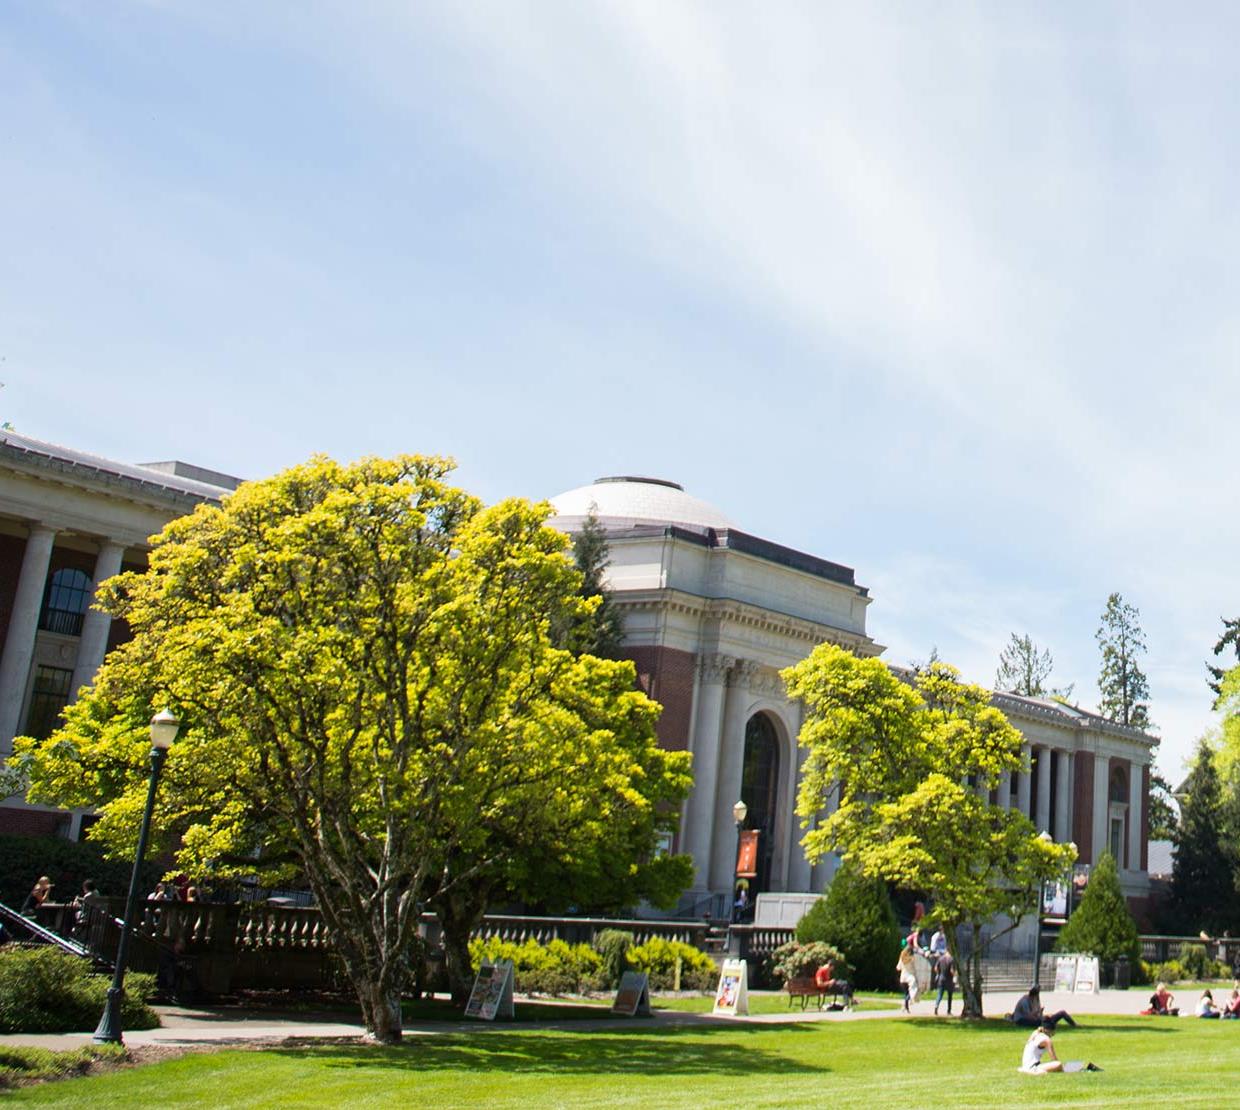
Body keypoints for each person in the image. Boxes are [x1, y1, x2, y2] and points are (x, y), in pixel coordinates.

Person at [1010, 985, 1076, 1029]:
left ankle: (1074, 1025)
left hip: (1035, 1019)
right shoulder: (1024, 1001)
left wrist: (1042, 1015)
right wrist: (1039, 1013)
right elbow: (1029, 1016)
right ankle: (1050, 1024)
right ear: (1033, 995)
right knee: (1040, 1021)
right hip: (1021, 1020)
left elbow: (1037, 1015)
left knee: (1062, 1013)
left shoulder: (1035, 1001)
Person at [897, 939, 920, 1011]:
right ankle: (906, 1004)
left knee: (906, 993)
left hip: (903, 978)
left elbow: (898, 968)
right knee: (912, 992)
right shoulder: (912, 958)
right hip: (910, 978)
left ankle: (906, 1008)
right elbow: (916, 967)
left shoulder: (902, 958)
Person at [933, 950, 955, 1016]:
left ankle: (936, 1006)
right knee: (950, 996)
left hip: (941, 978)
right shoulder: (951, 959)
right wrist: (955, 975)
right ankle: (949, 1010)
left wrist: (939, 973)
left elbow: (935, 968)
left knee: (939, 994)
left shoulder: (940, 958)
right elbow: (951, 970)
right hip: (949, 980)